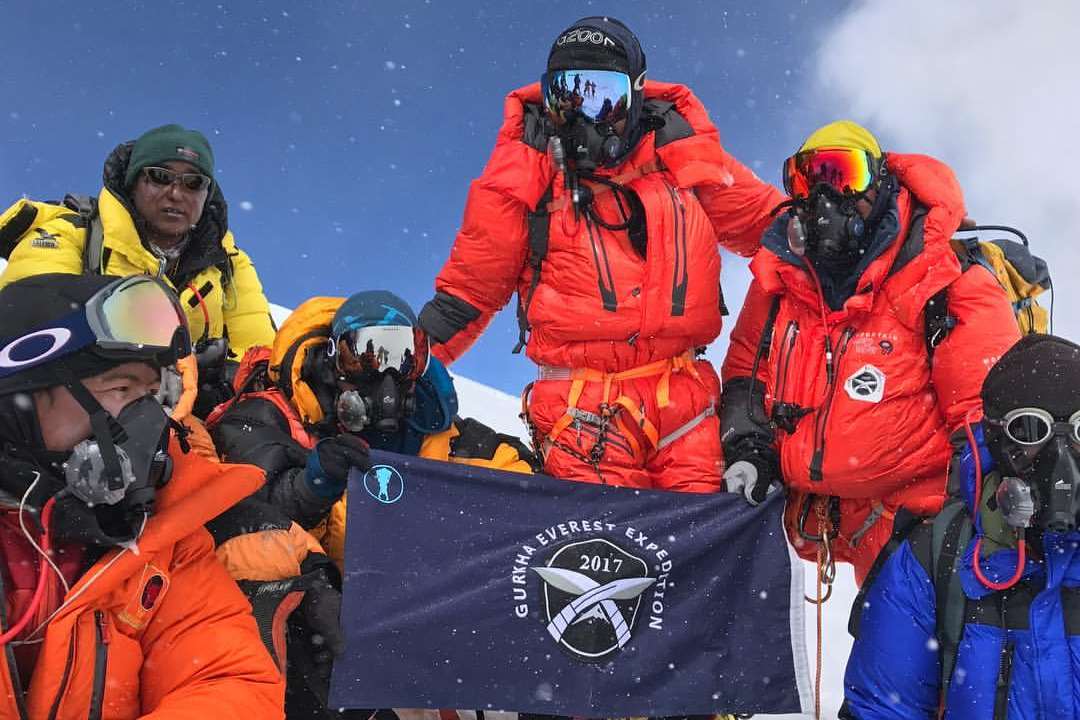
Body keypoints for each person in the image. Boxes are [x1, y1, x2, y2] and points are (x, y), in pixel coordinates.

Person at [417, 15, 785, 490]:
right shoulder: (524, 174)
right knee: (603, 556)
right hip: (580, 413)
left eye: (602, 95)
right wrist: (398, 364)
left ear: (636, 93)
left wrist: (881, 218)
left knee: (709, 548)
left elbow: (777, 230)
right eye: (565, 96)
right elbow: (468, 293)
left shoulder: (683, 157)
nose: (582, 115)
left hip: (688, 406)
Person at [205, 290, 536, 718]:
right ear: (331, 360)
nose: (385, 377)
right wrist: (312, 486)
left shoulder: (447, 435)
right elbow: (243, 515)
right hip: (329, 625)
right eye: (362, 356)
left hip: (420, 623)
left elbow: (528, 501)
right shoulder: (271, 417)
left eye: (405, 358)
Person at [720, 120, 1020, 584]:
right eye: (808, 178)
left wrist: (969, 524)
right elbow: (746, 373)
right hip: (813, 516)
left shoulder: (943, 277)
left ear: (880, 184)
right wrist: (750, 449)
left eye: (843, 174)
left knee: (901, 653)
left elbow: (983, 412)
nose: (826, 196)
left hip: (916, 524)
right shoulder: (780, 278)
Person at [0, 272, 283, 717]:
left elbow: (228, 680)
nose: (146, 421)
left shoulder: (162, 534)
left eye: (152, 394)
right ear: (23, 393)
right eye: (120, 388)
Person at [842, 334, 1080, 718]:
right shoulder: (938, 555)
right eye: (1031, 431)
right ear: (998, 439)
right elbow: (882, 709)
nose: (1062, 462)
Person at [0, 123, 276, 417]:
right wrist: (162, 364)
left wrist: (219, 378)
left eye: (193, 182)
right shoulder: (69, 233)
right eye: (159, 177)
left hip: (189, 424)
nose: (175, 192)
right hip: (77, 416)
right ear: (133, 183)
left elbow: (262, 359)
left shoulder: (228, 263)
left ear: (206, 195)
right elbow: (29, 332)